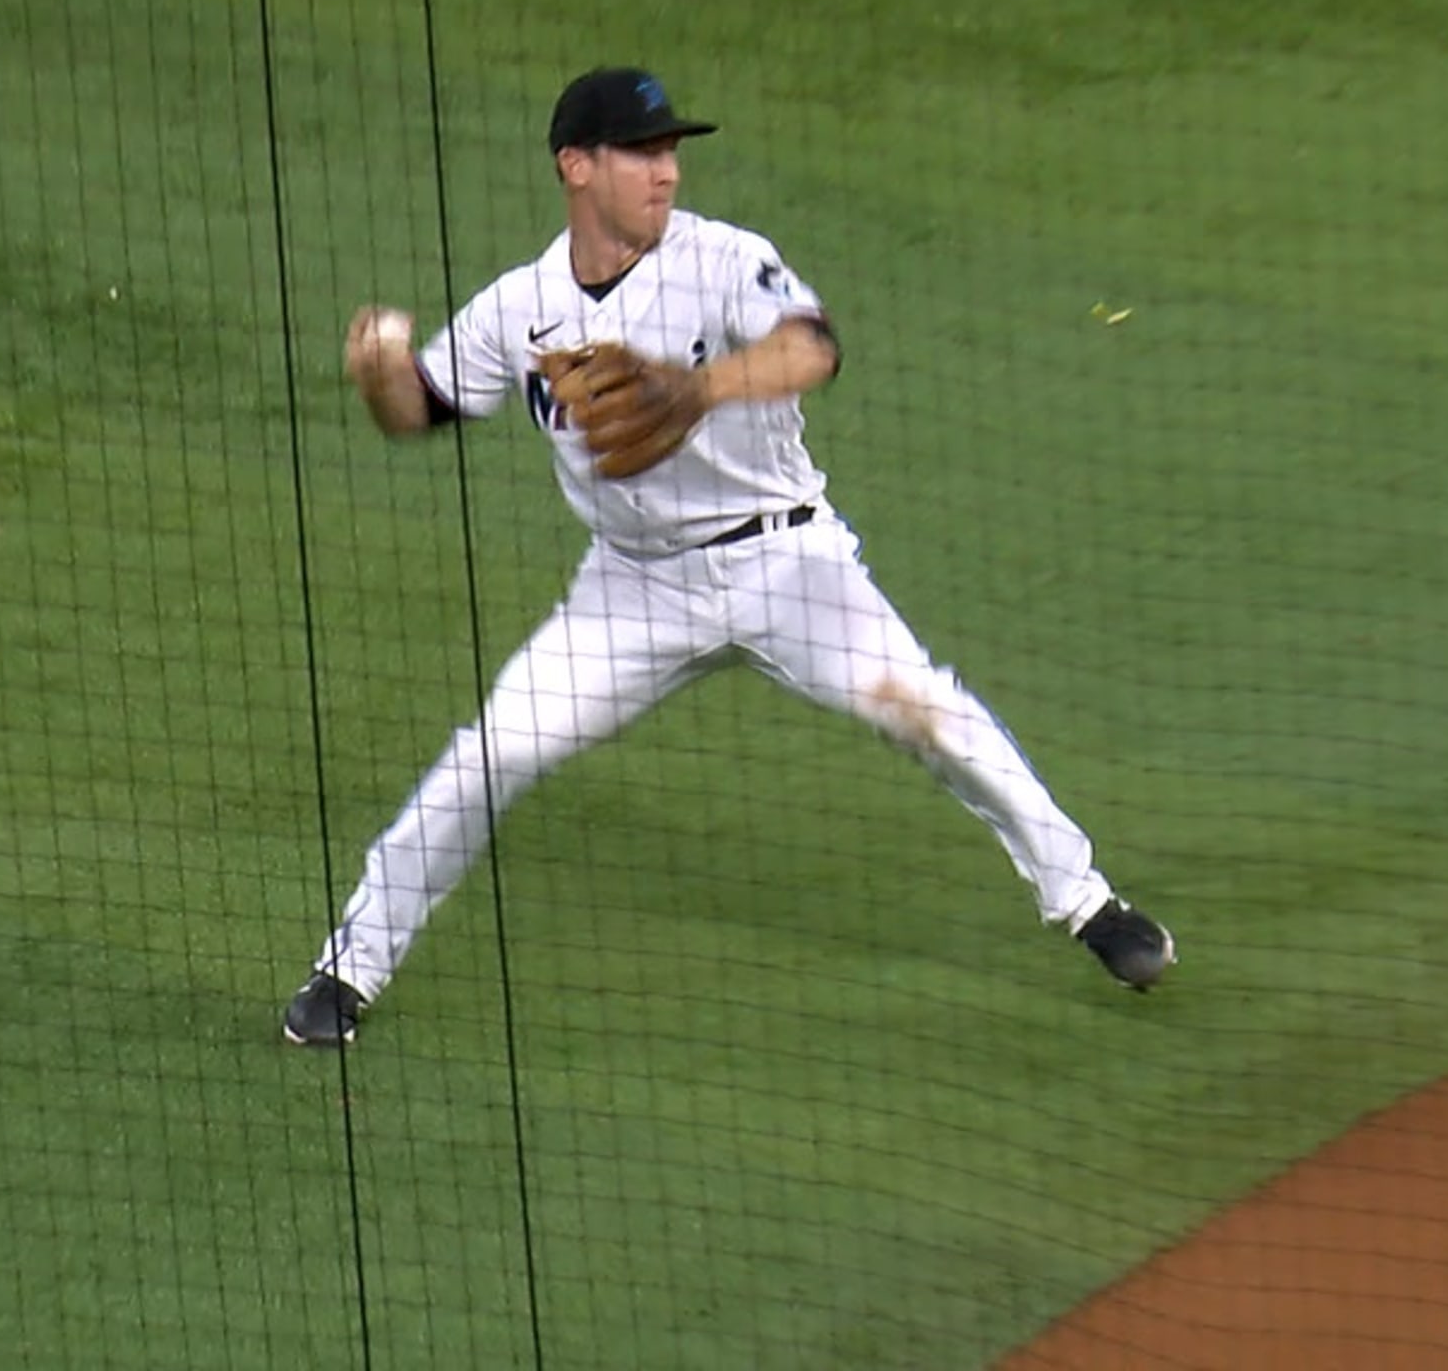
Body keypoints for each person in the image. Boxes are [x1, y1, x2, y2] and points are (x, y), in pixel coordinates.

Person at [284, 67, 1172, 1049]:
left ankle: (1089, 904)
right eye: (642, 153)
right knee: (491, 757)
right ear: (577, 167)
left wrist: (698, 392)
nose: (666, 173)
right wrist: (378, 378)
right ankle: (348, 970)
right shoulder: (520, 306)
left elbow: (813, 349)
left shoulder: (723, 260)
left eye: (670, 152)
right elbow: (424, 411)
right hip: (631, 587)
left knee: (924, 711)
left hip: (787, 566)